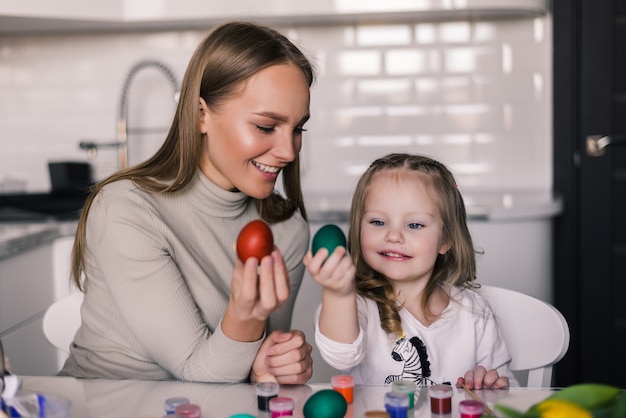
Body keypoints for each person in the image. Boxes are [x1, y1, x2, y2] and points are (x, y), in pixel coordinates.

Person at [59, 21, 315, 384]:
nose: (288, 151)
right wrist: (246, 319)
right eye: (265, 126)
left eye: (298, 129)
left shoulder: (287, 230)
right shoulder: (125, 209)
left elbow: (253, 371)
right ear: (201, 115)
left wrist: (276, 363)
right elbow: (198, 371)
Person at [304, 153, 518, 388]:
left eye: (414, 225)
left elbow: (507, 390)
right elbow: (340, 355)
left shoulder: (475, 313)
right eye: (378, 222)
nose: (393, 235)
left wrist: (491, 386)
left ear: (445, 239)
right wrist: (337, 293)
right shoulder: (356, 305)